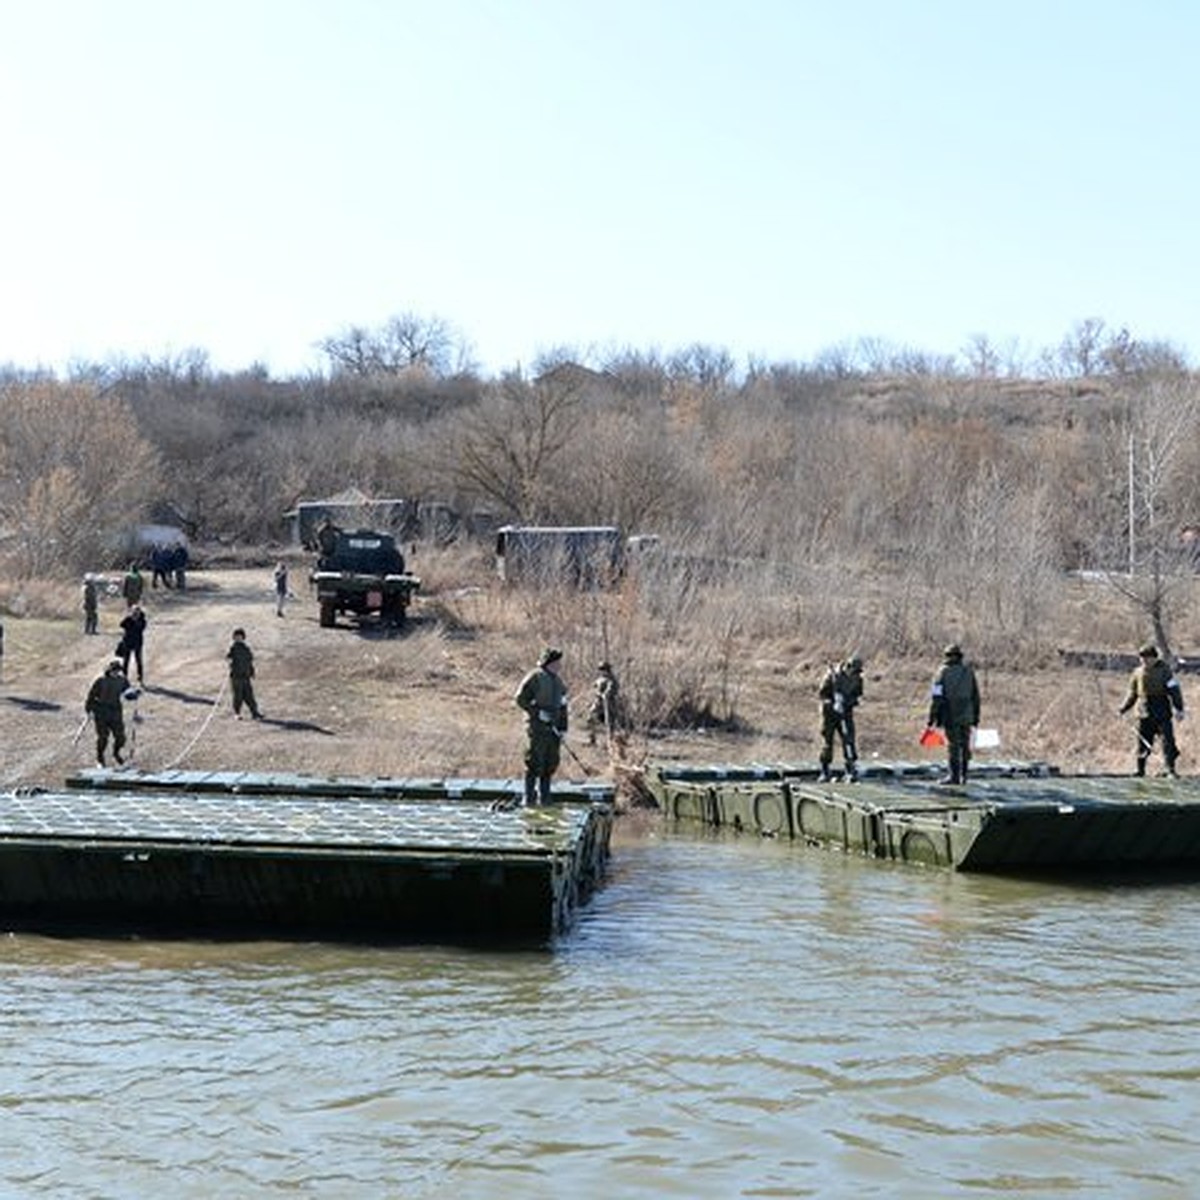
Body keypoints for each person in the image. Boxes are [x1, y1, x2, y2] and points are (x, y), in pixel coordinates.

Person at [1118, 643, 1185, 777]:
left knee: (1167, 741)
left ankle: (1170, 769)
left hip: (1161, 710)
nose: (1144, 661)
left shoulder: (1165, 671)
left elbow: (1174, 691)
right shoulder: (1137, 673)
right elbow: (1132, 693)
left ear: (1154, 658)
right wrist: (1124, 708)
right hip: (1144, 711)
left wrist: (1179, 709)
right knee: (1143, 742)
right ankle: (1140, 770)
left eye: (1147, 658)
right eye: (1142, 658)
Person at [514, 646, 569, 806]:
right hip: (537, 728)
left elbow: (563, 706)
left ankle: (545, 797)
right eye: (557, 662)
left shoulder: (558, 682)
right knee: (534, 761)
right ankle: (529, 797)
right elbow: (520, 699)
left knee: (550, 762)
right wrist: (537, 712)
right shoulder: (535, 677)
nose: (559, 666)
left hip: (554, 729)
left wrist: (563, 727)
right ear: (549, 662)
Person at [926, 643, 981, 785]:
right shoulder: (969, 672)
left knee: (953, 746)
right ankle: (964, 776)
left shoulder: (942, 672)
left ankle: (954, 777)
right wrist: (976, 716)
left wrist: (932, 717)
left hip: (951, 715)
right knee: (965, 745)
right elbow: (976, 696)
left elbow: (936, 697)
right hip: (967, 715)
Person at [818, 654, 864, 781]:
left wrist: (847, 702)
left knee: (849, 739)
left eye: (857, 672)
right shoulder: (832, 676)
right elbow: (822, 694)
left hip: (846, 712)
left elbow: (857, 696)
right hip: (829, 714)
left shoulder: (857, 679)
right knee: (827, 741)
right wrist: (833, 703)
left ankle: (850, 768)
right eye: (853, 671)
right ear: (847, 667)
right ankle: (825, 770)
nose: (855, 674)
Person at [85, 659, 133, 767]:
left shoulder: (122, 680)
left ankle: (116, 753)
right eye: (114, 671)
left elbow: (128, 692)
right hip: (101, 711)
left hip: (115, 711)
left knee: (121, 737)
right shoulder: (100, 681)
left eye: (118, 671)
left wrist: (133, 695)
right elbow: (91, 696)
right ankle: (100, 757)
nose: (116, 673)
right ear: (109, 670)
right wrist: (89, 710)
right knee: (103, 737)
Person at [586, 660, 624, 745]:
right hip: (598, 703)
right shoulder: (600, 679)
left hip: (609, 704)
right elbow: (595, 686)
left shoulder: (612, 679)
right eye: (601, 669)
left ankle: (610, 741)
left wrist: (605, 694)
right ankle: (592, 738)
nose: (602, 671)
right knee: (590, 718)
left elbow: (612, 690)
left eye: (603, 669)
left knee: (610, 723)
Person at [227, 627, 261, 719]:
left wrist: (252, 671)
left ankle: (254, 712)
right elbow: (228, 657)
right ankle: (237, 713)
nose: (238, 638)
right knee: (238, 695)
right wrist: (230, 660)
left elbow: (249, 661)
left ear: (243, 637)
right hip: (236, 676)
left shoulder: (246, 648)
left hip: (245, 676)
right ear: (234, 638)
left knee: (249, 695)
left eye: (240, 636)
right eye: (236, 636)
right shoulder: (233, 648)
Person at [119, 603, 147, 685]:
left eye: (137, 612)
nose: (135, 614)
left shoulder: (142, 620)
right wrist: (129, 618)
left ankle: (140, 677)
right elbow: (121, 625)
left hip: (137, 643)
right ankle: (124, 677)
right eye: (134, 612)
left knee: (138, 661)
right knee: (126, 661)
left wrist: (134, 621)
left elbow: (141, 628)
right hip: (127, 642)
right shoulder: (128, 619)